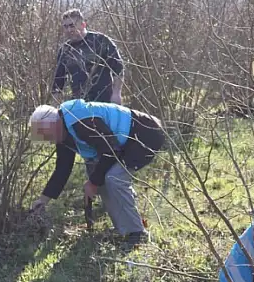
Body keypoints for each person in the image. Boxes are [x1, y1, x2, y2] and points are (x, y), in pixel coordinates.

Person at [27, 99, 164, 246]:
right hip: (122, 145)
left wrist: (92, 182)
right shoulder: (62, 131)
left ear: (54, 125)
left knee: (113, 178)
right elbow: (63, 168)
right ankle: (124, 230)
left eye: (47, 136)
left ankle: (137, 234)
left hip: (145, 134)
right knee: (102, 180)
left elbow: (110, 151)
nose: (49, 141)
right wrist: (43, 200)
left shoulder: (81, 122)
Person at [52, 8, 124, 104]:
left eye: (72, 26)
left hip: (105, 101)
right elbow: (58, 81)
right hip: (79, 104)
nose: (69, 30)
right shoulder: (65, 50)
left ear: (83, 25)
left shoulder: (100, 41)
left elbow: (118, 70)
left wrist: (116, 94)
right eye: (65, 27)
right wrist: (55, 106)